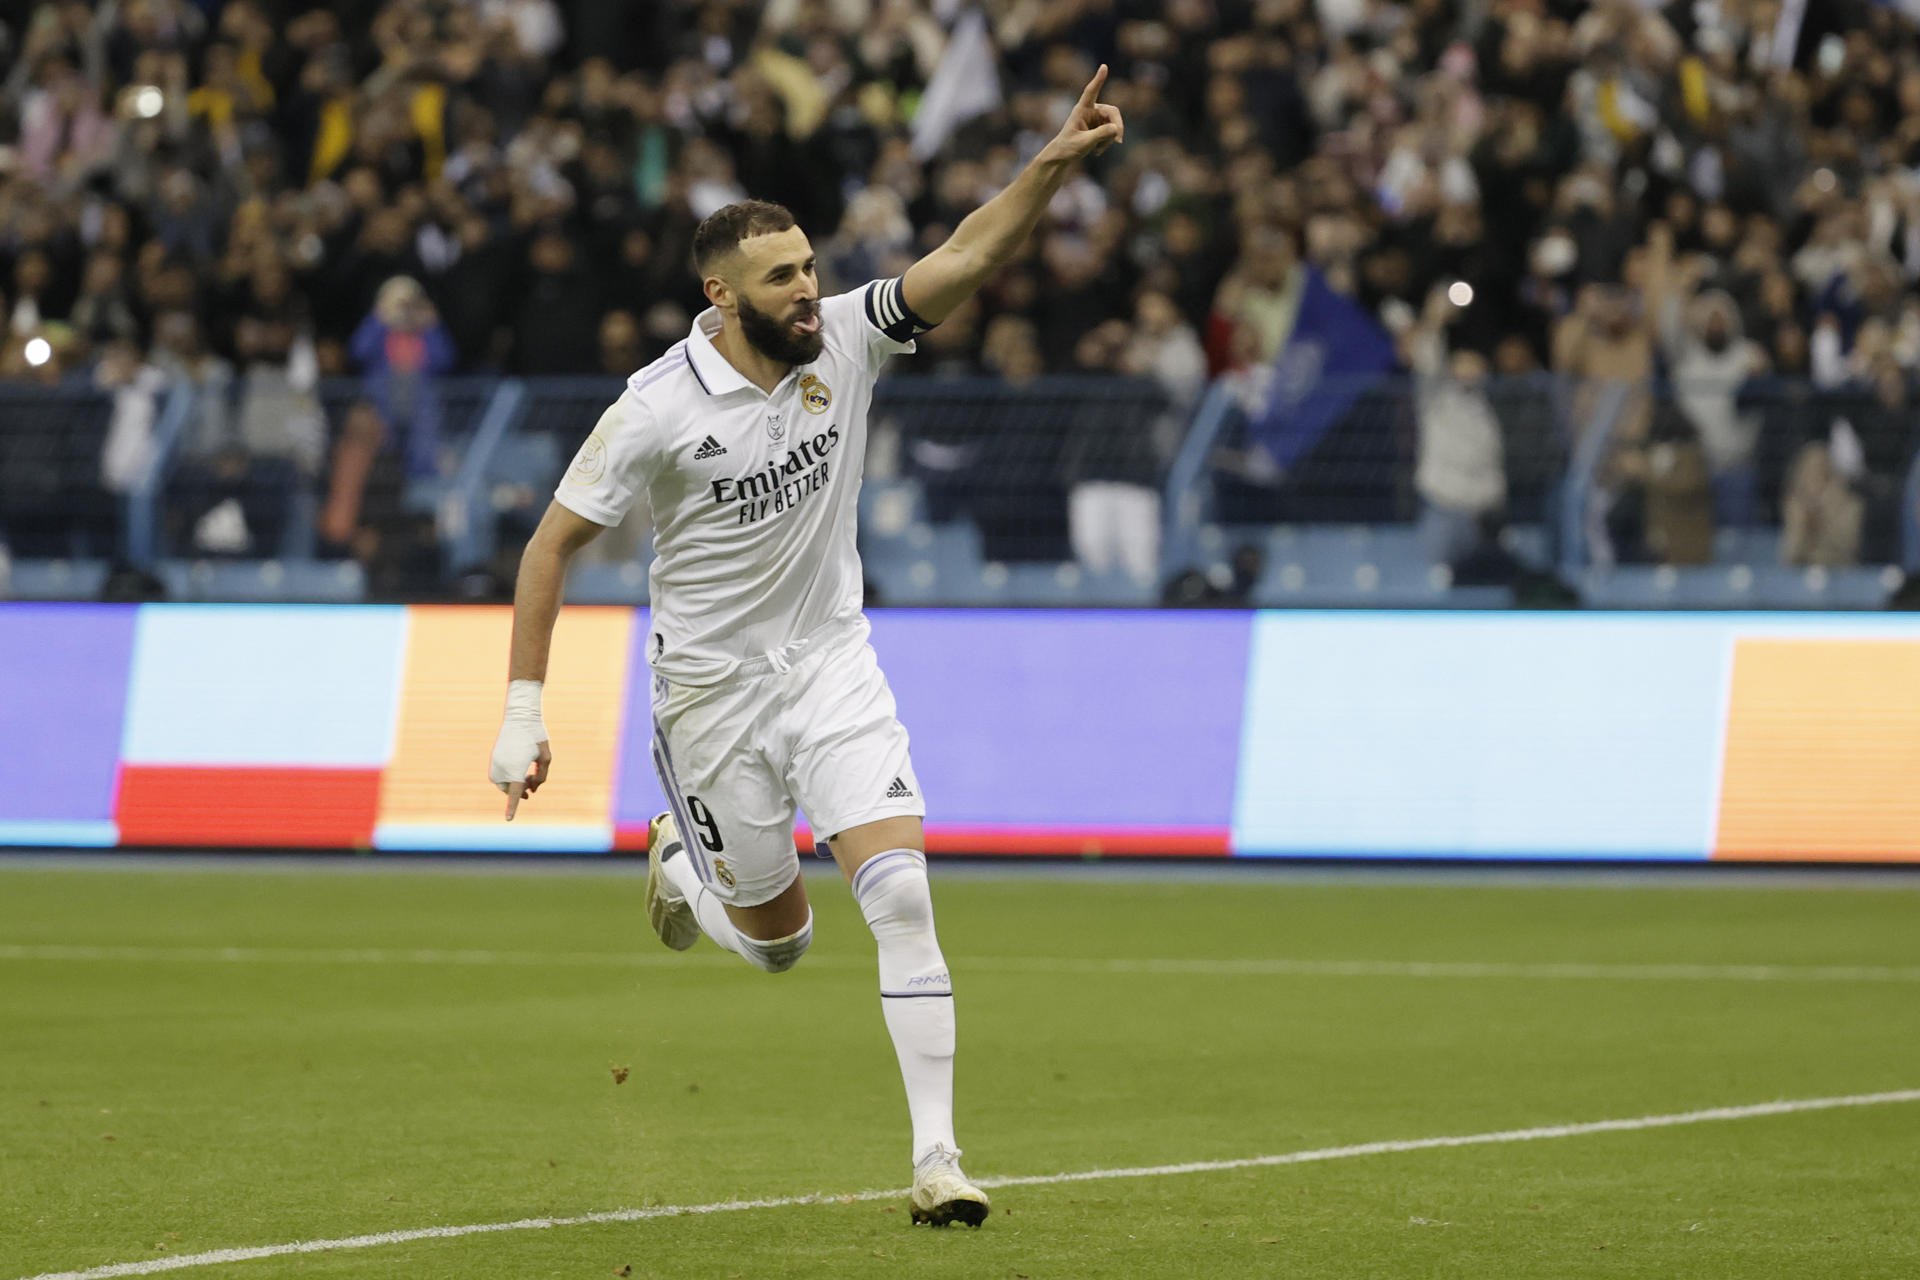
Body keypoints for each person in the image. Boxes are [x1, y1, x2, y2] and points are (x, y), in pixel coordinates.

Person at [488, 66, 1126, 1228]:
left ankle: (939, 1158)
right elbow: (548, 548)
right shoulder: (652, 411)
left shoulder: (847, 340)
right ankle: (687, 859)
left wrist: (1049, 162)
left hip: (833, 666)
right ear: (720, 296)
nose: (808, 291)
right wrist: (524, 711)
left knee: (902, 894)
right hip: (713, 696)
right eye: (782, 277)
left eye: (810, 268)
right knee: (780, 945)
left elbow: (968, 257)